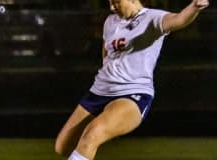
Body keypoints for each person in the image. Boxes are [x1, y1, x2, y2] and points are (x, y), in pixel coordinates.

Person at [55, 0, 209, 159]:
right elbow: (107, 54)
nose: (111, 7)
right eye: (109, 2)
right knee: (63, 147)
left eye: (116, 2)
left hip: (131, 93)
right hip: (99, 91)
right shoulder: (110, 21)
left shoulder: (152, 18)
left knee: (91, 135)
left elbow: (179, 19)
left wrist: (194, 6)